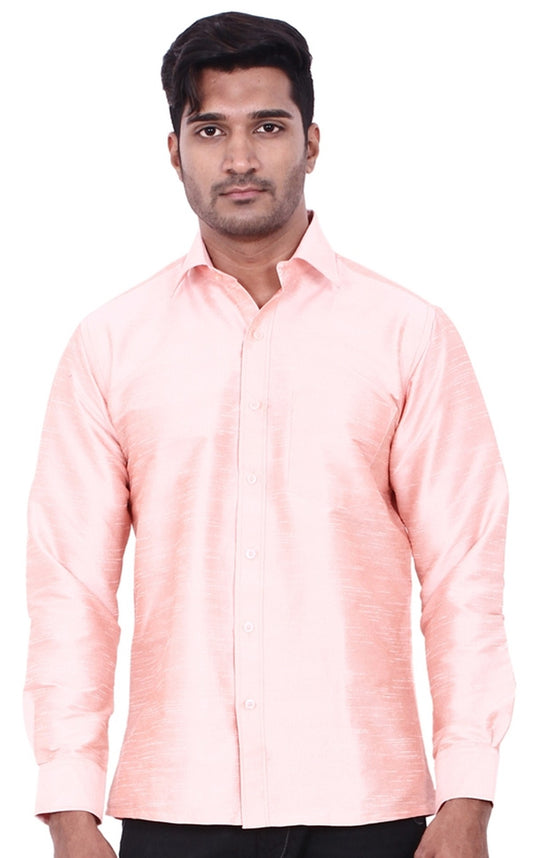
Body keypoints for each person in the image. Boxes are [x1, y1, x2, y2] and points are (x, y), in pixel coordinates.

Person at [24, 11, 515, 858]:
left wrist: (468, 793)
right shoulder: (110, 344)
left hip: (370, 800)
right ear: (174, 150)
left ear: (311, 142)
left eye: (268, 127)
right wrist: (69, 807)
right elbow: (71, 585)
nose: (240, 158)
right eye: (210, 130)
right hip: (176, 802)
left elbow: (462, 573)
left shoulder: (407, 333)